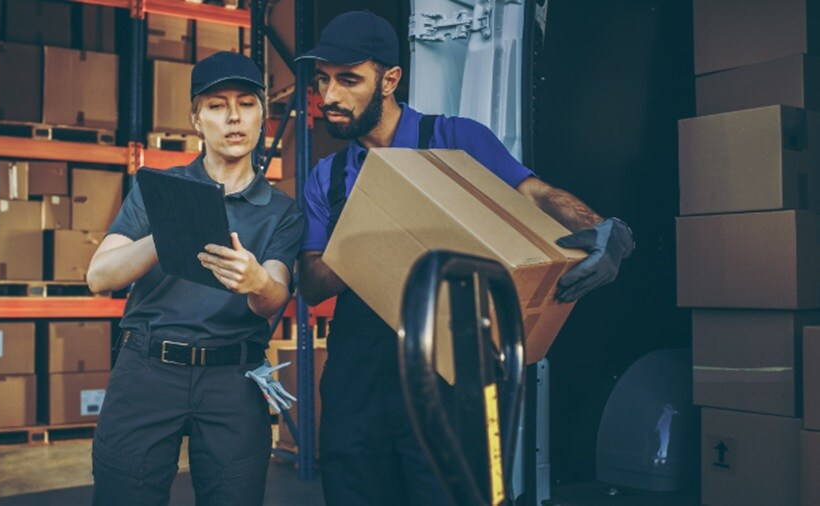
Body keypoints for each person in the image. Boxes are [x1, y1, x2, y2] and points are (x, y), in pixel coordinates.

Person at [295, 10, 635, 505]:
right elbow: (312, 281)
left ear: (390, 80)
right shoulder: (328, 176)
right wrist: (378, 231)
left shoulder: (455, 140)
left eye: (348, 80)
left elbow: (536, 194)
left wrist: (606, 228)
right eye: (322, 81)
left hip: (448, 382)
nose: (329, 97)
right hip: (357, 388)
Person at [86, 51, 305, 505]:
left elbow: (276, 294)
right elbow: (99, 276)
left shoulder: (282, 211)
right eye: (216, 105)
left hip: (234, 379)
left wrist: (257, 281)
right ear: (195, 118)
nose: (233, 118)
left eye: (246, 103)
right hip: (147, 372)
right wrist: (168, 231)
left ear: (264, 116)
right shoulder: (156, 189)